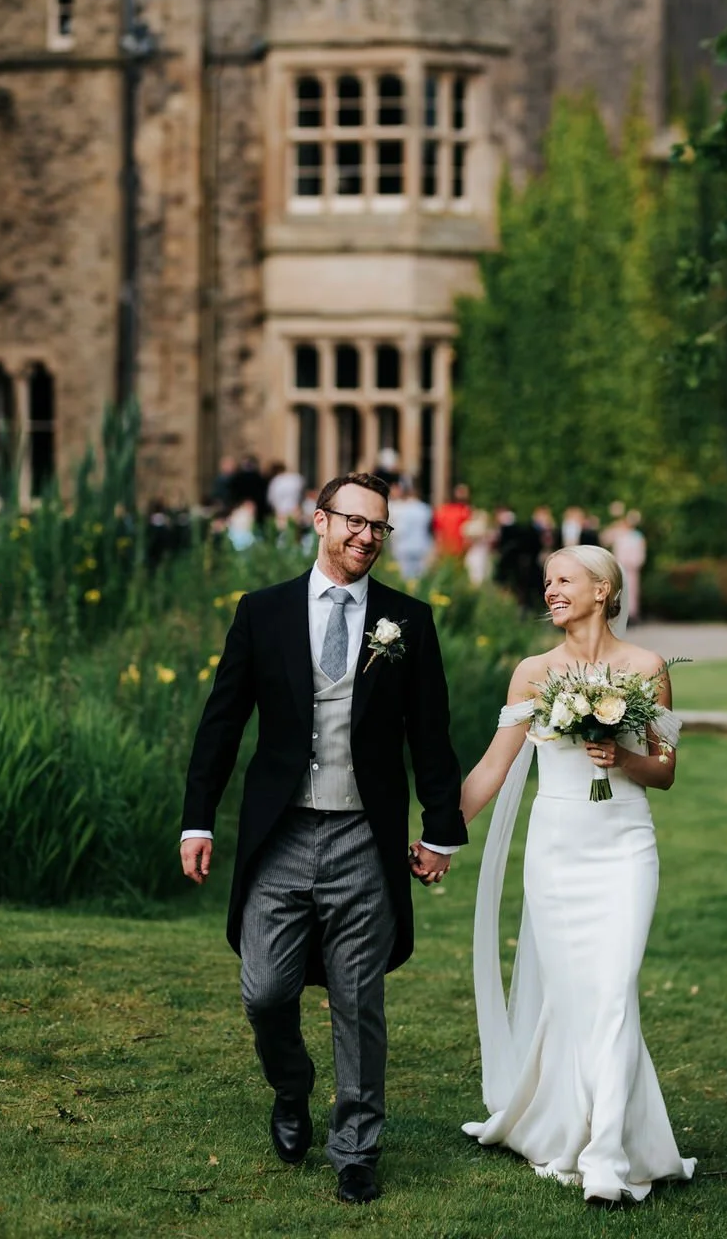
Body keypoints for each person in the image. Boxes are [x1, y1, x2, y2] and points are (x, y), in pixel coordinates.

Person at [179, 473, 467, 1205]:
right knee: (265, 989)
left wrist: (440, 831)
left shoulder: (409, 621)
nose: (367, 536)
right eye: (354, 522)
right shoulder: (264, 612)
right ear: (318, 522)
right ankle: (291, 1086)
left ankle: (357, 1148)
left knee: (357, 999)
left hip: (362, 837)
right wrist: (198, 817)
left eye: (379, 527)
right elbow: (222, 721)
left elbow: (430, 736)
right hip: (280, 835)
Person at [459, 545, 695, 1208]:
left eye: (563, 580)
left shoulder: (647, 669)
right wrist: (442, 830)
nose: (551, 591)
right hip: (557, 847)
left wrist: (622, 754)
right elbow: (493, 767)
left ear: (604, 589)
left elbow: (666, 768)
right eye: (546, 583)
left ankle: (605, 1154)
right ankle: (571, 1124)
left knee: (615, 989)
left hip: (625, 844)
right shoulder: (534, 672)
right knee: (573, 995)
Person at [603, 504, 647, 622]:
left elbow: (641, 552)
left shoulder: (637, 536)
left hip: (632, 568)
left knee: (632, 591)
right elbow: (604, 539)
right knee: (617, 589)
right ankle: (618, 614)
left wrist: (636, 563)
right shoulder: (618, 533)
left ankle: (632, 615)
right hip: (618, 566)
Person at [388, 479, 433, 580]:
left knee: (404, 579)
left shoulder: (401, 509)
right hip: (421, 546)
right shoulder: (425, 509)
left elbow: (397, 531)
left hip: (403, 548)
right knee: (419, 578)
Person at [431, 482, 471, 560]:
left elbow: (437, 532)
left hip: (446, 549)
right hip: (458, 550)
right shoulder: (465, 512)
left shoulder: (442, 511)